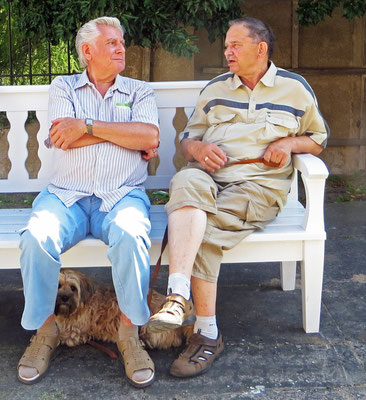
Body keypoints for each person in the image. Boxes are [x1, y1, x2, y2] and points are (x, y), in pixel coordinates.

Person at [147, 17, 329, 378]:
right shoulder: (215, 89)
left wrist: (290, 143)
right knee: (185, 181)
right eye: (226, 46)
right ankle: (177, 294)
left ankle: (206, 333)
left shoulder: (295, 89)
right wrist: (197, 148)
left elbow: (319, 139)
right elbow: (187, 140)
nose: (227, 51)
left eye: (235, 45)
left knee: (204, 234)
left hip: (259, 187)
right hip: (210, 179)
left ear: (260, 49)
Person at [17, 16, 159, 388]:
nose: (120, 48)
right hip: (67, 198)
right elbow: (63, 137)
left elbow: (148, 134)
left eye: (121, 42)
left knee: (130, 236)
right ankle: (46, 332)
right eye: (111, 43)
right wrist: (123, 136)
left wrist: (88, 126)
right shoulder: (63, 86)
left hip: (123, 195)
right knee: (36, 237)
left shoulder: (139, 91)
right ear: (87, 51)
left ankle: (129, 334)